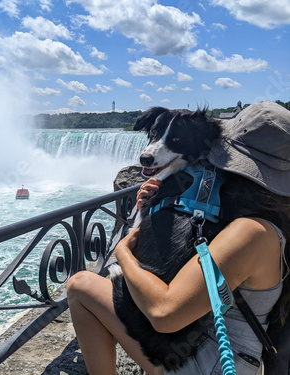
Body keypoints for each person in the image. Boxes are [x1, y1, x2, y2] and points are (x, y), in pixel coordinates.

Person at [67, 101, 290, 375]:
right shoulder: (261, 218)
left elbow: (164, 315)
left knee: (79, 285)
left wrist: (123, 252)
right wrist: (159, 203)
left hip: (210, 361)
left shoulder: (252, 232)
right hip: (218, 348)